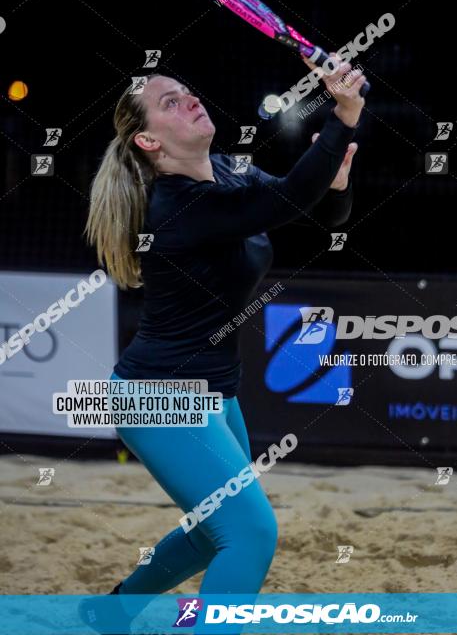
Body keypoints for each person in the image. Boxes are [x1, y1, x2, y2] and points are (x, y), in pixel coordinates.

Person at [81, 56, 366, 632]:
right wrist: (343, 115)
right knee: (251, 533)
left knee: (213, 534)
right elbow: (285, 201)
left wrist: (337, 182)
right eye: (169, 102)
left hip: (215, 393)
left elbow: (311, 212)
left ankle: (111, 612)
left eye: (186, 90)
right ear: (148, 141)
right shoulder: (178, 206)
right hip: (155, 396)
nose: (189, 99)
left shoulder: (230, 174)